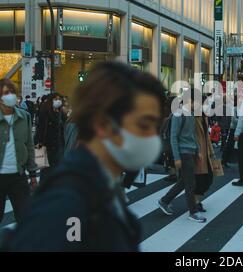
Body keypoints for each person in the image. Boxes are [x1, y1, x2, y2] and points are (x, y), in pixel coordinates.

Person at [7, 62, 165, 251]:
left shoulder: (101, 186)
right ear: (103, 124)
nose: (152, 137)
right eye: (143, 125)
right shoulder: (70, 201)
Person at [158, 89, 207, 223]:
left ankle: (164, 200)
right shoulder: (179, 114)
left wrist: (198, 151)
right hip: (183, 153)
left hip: (189, 152)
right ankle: (193, 211)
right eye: (196, 101)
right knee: (190, 183)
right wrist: (177, 157)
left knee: (184, 182)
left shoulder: (189, 114)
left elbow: (192, 136)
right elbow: (174, 137)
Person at [0, 79, 37, 225]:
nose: (10, 96)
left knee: (24, 216)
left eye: (13, 92)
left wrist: (33, 173)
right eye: (6, 93)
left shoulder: (24, 116)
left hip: (18, 175)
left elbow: (29, 145)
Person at [194, 108, 223, 213]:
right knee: (199, 178)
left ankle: (166, 199)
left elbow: (206, 135)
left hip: (205, 151)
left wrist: (212, 152)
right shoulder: (190, 116)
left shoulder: (204, 115)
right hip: (196, 152)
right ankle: (195, 201)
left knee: (208, 178)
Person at [35, 92, 67, 182]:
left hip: (59, 145)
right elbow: (40, 129)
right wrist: (39, 143)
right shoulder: (45, 113)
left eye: (59, 99)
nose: (58, 101)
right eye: (55, 99)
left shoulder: (61, 114)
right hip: (46, 146)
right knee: (46, 172)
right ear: (50, 101)